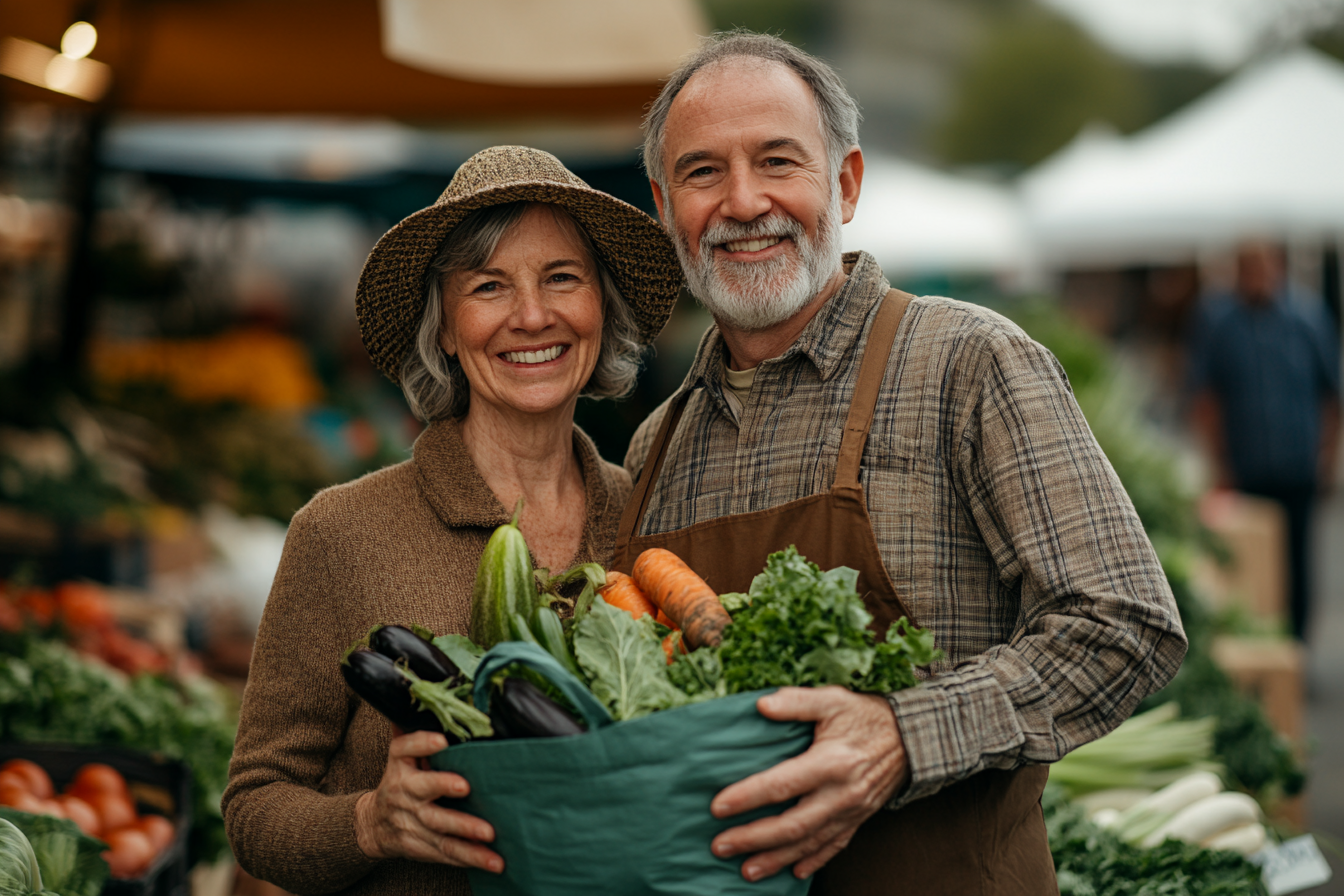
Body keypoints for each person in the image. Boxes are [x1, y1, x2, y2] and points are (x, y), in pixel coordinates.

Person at [613, 31, 1188, 894]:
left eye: (777, 160)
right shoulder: (658, 443)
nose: (741, 201)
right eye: (701, 173)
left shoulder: (968, 361)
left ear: (844, 182)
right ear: (664, 204)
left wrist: (904, 735)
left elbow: (1126, 623)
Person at [221, 146, 682, 896]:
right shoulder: (340, 533)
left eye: (562, 277)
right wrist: (370, 822)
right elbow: (254, 808)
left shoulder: (654, 519)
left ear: (602, 306)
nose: (532, 316)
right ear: (443, 328)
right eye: (489, 286)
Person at [1187, 241, 1341, 640]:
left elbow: (1331, 394)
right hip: (1245, 469)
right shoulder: (1219, 322)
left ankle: (1297, 647)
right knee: (1250, 565)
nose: (1256, 276)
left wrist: (1327, 456)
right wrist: (1218, 464)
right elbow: (1205, 397)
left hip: (1297, 465)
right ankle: (1261, 641)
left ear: (1279, 266)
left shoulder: (1307, 318)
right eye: (1247, 267)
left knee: (1298, 565)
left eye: (1263, 266)